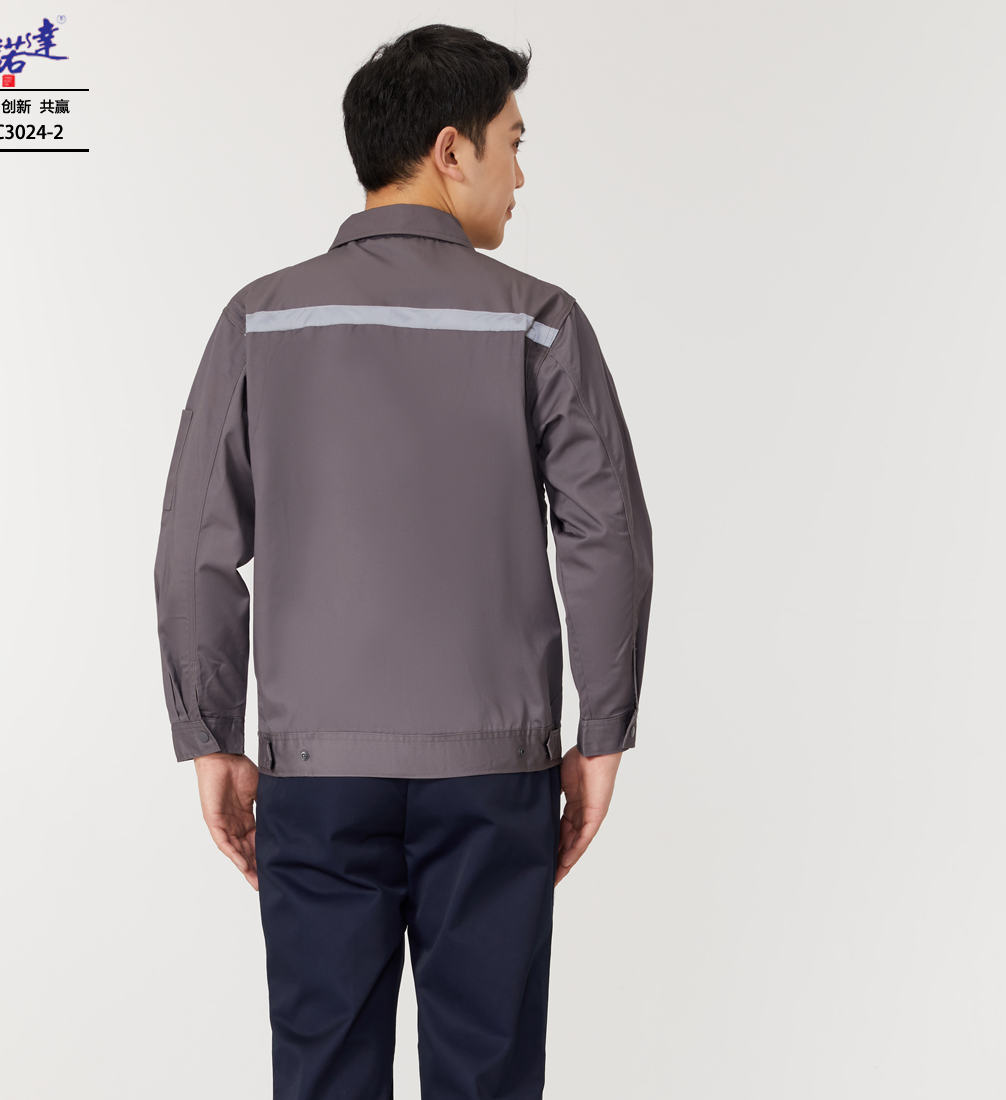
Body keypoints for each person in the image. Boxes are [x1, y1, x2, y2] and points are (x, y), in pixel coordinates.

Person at [153, 22, 653, 1100]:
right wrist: (603, 730)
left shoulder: (261, 320)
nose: (521, 174)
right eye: (513, 142)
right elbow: (605, 532)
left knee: (324, 1072)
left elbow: (196, 551)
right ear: (449, 149)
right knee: (488, 1075)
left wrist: (212, 737)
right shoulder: (537, 322)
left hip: (315, 777)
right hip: (495, 773)